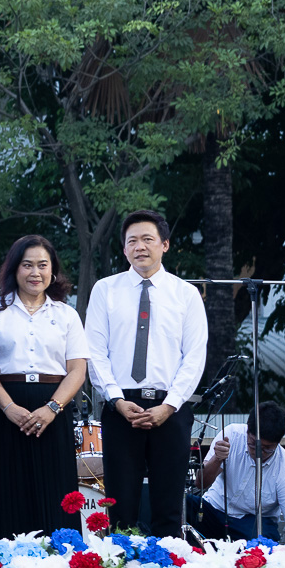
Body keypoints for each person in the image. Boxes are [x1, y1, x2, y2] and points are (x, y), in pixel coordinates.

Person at [85, 209, 207, 539]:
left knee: (168, 508)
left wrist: (169, 406)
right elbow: (94, 352)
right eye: (132, 241)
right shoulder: (105, 290)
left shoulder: (185, 294)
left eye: (148, 239)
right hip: (121, 407)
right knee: (121, 509)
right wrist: (116, 399)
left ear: (165, 244)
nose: (140, 247)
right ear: (124, 249)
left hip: (171, 408)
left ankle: (169, 566)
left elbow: (195, 356)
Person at [0, 235, 89, 538]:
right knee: (7, 493)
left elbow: (77, 370)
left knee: (56, 494)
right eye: (27, 265)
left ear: (52, 270)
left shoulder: (66, 314)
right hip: (5, 409)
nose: (35, 272)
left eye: (42, 265)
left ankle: (61, 557)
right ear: (15, 269)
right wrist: (8, 407)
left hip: (54, 409)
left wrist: (52, 408)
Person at [188, 402, 285, 541]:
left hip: (250, 522)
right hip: (213, 508)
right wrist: (216, 459)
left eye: (267, 448)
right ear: (247, 431)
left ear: (278, 443)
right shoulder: (231, 434)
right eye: (253, 444)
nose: (259, 452)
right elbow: (200, 483)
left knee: (263, 540)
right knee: (181, 505)